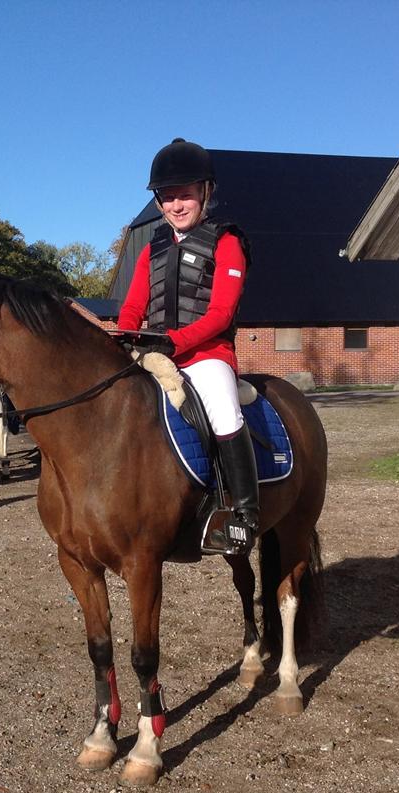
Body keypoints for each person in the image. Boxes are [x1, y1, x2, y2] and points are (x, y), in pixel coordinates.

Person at [117, 138, 257, 554]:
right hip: (155, 355)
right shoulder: (151, 248)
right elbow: (132, 307)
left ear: (205, 193)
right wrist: (126, 338)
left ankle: (245, 513)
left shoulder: (227, 241)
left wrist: (173, 343)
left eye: (185, 195)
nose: (176, 205)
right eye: (168, 197)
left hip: (207, 355)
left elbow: (220, 314)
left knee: (221, 406)